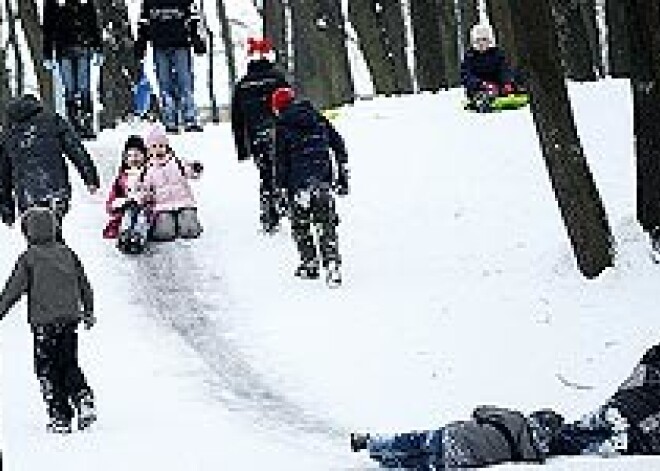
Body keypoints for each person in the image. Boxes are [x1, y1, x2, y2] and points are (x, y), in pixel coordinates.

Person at [351, 343, 660, 469]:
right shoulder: (521, 441)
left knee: (417, 442)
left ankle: (376, 447)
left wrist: (481, 415)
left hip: (456, 435)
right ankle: (385, 459)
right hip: (465, 451)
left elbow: (483, 410)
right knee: (423, 460)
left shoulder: (515, 423)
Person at [0, 207, 97, 433]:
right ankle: (83, 397)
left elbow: (13, 290)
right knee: (68, 362)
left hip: (44, 324)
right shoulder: (67, 253)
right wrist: (89, 310)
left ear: (28, 233)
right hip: (70, 321)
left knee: (47, 369)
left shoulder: (29, 258)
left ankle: (60, 416)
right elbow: (84, 284)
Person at [271, 87, 349, 287]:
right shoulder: (317, 117)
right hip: (322, 181)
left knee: (301, 225)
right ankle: (332, 265)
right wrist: (342, 173)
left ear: (278, 108)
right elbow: (338, 143)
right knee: (326, 223)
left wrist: (280, 189)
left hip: (299, 186)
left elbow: (280, 162)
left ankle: (310, 263)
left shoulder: (282, 126)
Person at [0, 95, 100, 234]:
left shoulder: (8, 133)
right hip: (56, 188)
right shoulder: (52, 120)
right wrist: (90, 178)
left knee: (37, 236)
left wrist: (7, 210)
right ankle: (58, 252)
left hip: (28, 195)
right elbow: (76, 149)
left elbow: (3, 175)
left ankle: (46, 253)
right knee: (53, 230)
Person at [230, 37, 290, 234]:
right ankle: (289, 206)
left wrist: (242, 149)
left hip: (257, 138)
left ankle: (269, 217)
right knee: (285, 169)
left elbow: (237, 120)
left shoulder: (242, 85)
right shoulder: (278, 79)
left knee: (265, 174)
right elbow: (289, 105)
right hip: (281, 132)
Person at [135, 0, 206, 133]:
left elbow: (193, 18)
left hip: (181, 45)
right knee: (165, 84)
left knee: (185, 83)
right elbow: (144, 22)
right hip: (159, 45)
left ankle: (190, 119)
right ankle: (170, 120)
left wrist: (196, 37)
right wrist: (141, 42)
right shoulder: (149, 2)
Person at [42, 0, 102, 139]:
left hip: (83, 46)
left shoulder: (85, 2)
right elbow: (48, 26)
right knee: (70, 89)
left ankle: (87, 124)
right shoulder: (53, 3)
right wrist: (47, 53)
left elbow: (92, 21)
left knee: (84, 88)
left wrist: (98, 46)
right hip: (63, 49)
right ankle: (74, 125)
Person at [140, 125, 203, 241]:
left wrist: (195, 169)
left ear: (167, 147)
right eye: (154, 147)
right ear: (149, 150)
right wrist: (146, 196)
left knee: (191, 231)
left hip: (184, 203)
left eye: (161, 146)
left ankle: (184, 222)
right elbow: (145, 189)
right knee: (165, 233)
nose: (158, 149)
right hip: (162, 207)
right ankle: (171, 225)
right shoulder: (148, 169)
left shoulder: (177, 162)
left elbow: (191, 174)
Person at [103, 135, 152, 254]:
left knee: (142, 217)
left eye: (137, 155)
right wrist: (122, 202)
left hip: (146, 209)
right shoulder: (122, 177)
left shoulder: (150, 173)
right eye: (129, 156)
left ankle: (138, 237)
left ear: (144, 155)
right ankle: (125, 235)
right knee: (128, 214)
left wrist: (147, 199)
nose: (133, 159)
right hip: (128, 207)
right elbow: (112, 199)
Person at [460, 23, 520, 113]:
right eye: (478, 40)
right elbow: (466, 75)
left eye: (484, 40)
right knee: (482, 93)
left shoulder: (497, 54)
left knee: (515, 81)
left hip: (496, 85)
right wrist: (481, 84)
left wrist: (506, 82)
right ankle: (482, 101)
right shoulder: (470, 57)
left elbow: (503, 69)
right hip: (479, 87)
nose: (481, 43)